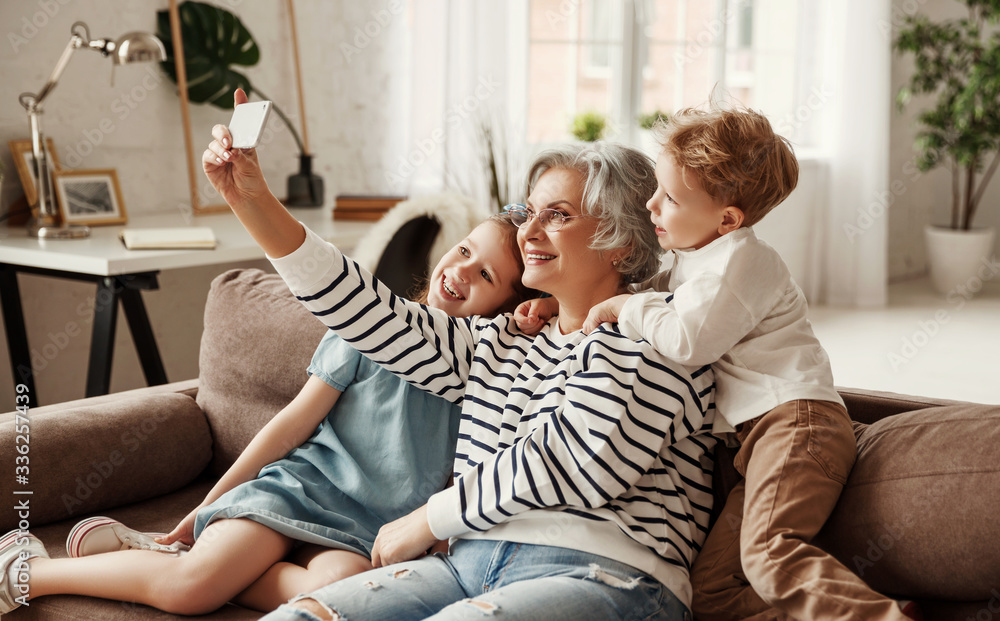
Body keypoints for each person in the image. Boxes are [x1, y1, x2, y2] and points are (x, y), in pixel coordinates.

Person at [180, 90, 719, 621]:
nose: (527, 232)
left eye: (557, 216)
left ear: (621, 242)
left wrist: (429, 521)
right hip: (467, 567)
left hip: (606, 573)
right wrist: (251, 200)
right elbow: (366, 310)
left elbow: (571, 461)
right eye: (529, 212)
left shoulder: (662, 334)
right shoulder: (501, 341)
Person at [0, 193, 535, 615]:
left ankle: (146, 556)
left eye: (486, 274)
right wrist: (207, 506)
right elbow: (290, 425)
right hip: (299, 492)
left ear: (512, 306)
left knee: (339, 593)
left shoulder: (491, 372)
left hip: (367, 527)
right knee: (194, 589)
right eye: (465, 249)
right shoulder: (368, 329)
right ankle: (27, 570)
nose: (462, 271)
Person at [521, 106, 920, 621]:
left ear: (727, 219)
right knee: (711, 594)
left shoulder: (743, 261)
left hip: (794, 426)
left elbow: (684, 339)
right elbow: (644, 297)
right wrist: (562, 304)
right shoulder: (695, 260)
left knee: (769, 553)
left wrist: (627, 307)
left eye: (669, 198)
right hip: (752, 442)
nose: (651, 205)